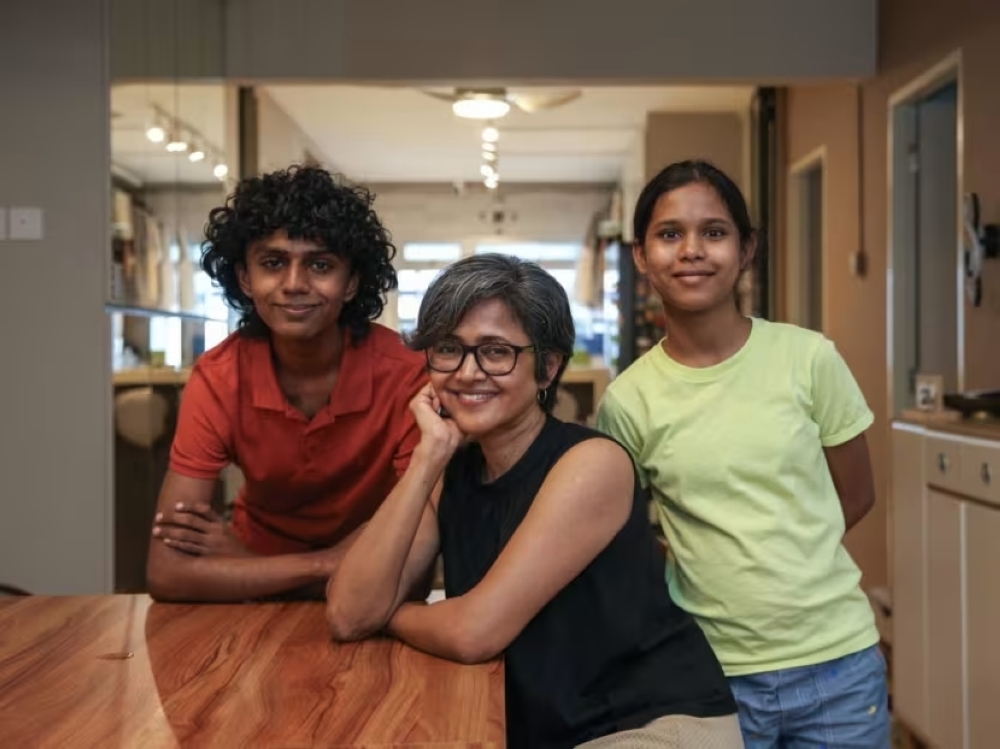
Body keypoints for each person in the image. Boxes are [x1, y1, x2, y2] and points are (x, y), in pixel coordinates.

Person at [326, 254, 742, 749]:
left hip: (649, 725)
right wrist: (426, 459)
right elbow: (349, 614)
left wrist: (390, 615)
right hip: (544, 729)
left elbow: (474, 632)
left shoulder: (591, 464)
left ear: (547, 367)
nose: (467, 372)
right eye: (448, 349)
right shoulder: (450, 470)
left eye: (496, 352)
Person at [596, 160, 888, 748]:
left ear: (747, 249)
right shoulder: (627, 402)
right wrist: (701, 563)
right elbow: (617, 536)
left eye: (715, 232)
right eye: (670, 234)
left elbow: (855, 495)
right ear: (641, 256)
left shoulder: (809, 359)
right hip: (707, 673)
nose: (692, 251)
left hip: (839, 666)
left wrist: (784, 551)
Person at [146, 166, 427, 603]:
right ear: (244, 278)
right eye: (273, 263)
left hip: (256, 575)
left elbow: (414, 569)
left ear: (351, 282)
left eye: (320, 264)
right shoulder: (219, 377)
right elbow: (166, 574)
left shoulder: (408, 373)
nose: (294, 285)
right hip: (266, 593)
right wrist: (328, 565)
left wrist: (242, 567)